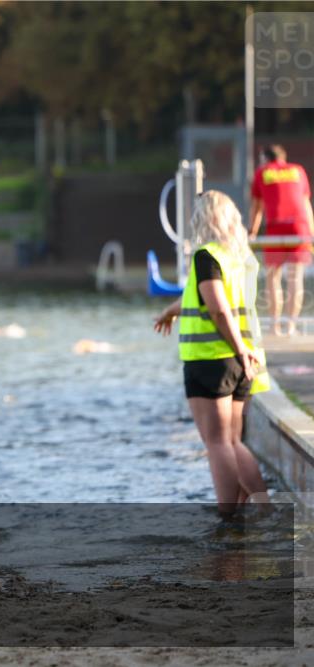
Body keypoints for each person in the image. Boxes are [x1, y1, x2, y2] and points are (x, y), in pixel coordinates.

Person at [153, 191, 268, 518]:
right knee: (233, 441)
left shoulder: (207, 256)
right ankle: (264, 508)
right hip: (243, 359)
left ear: (202, 220)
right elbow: (205, 297)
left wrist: (237, 349)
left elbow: (217, 309)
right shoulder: (241, 257)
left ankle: (228, 519)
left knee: (217, 443)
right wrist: (172, 310)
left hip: (213, 359)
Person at [248, 144, 314, 336]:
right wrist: (311, 232)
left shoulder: (262, 172)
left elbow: (257, 208)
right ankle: (291, 326)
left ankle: (275, 326)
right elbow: (305, 203)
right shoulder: (298, 171)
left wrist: (252, 231)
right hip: (299, 227)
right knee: (295, 278)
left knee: (272, 277)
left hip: (276, 227)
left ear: (265, 158)